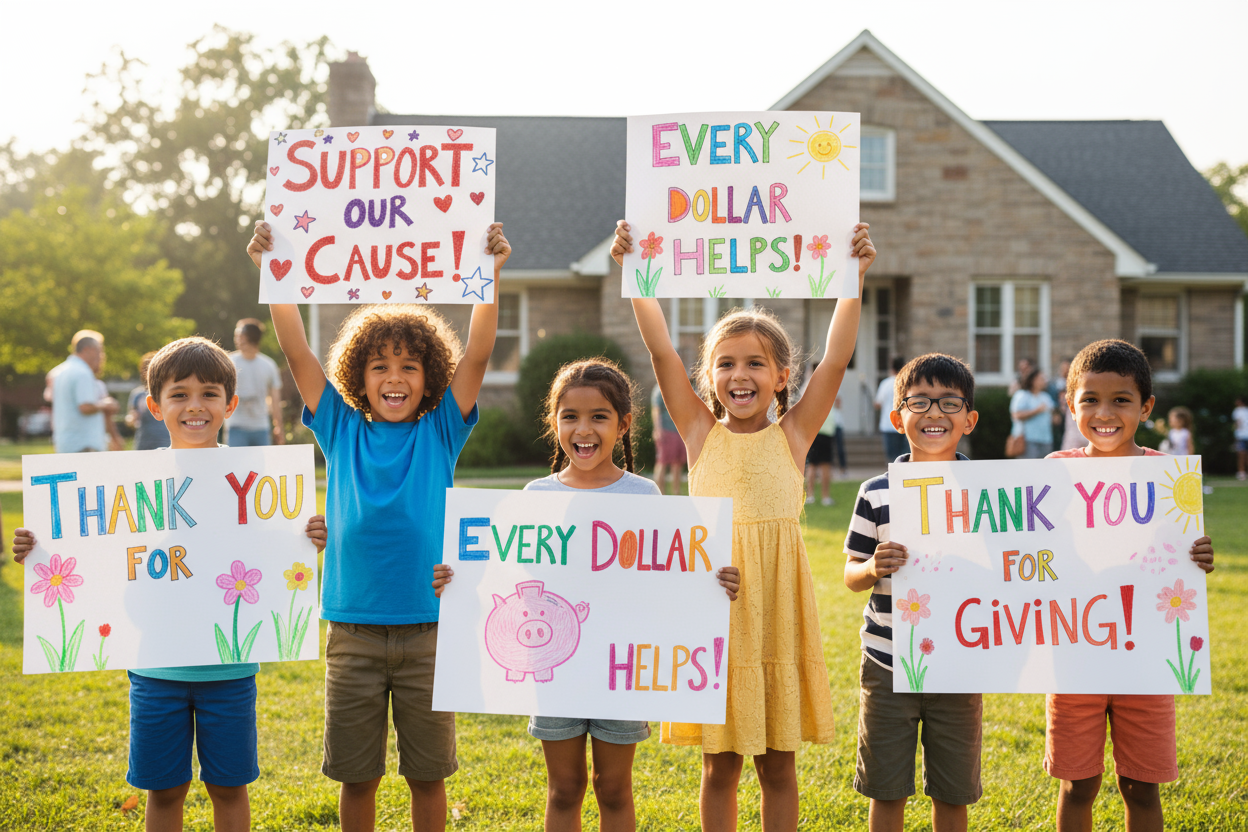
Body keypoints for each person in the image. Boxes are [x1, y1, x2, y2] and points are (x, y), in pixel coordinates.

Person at [613, 218, 876, 830]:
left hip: (778, 609)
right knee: (720, 767)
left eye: (756, 364)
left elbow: (836, 358)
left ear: (782, 377)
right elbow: (660, 351)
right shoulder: (700, 434)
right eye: (726, 364)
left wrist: (852, 280)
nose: (740, 376)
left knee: (779, 765)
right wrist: (637, 279)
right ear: (710, 379)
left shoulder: (795, 435)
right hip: (716, 607)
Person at [248, 219, 510, 831]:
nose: (395, 378)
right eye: (380, 367)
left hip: (428, 630)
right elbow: (295, 350)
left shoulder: (442, 428)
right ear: (357, 379)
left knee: (427, 776)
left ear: (431, 377)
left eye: (411, 366)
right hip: (354, 632)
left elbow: (478, 352)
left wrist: (488, 278)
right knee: (357, 776)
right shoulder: (339, 428)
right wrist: (274, 271)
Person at [13, 336, 327, 832]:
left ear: (231, 404)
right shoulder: (133, 483)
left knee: (228, 787)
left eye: (208, 393)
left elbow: (271, 545)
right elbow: (96, 549)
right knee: (165, 790)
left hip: (230, 673)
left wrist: (305, 536)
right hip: (155, 670)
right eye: (179, 394)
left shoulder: (254, 480)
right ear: (154, 407)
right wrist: (43, 549)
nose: (195, 406)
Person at [435, 359, 740, 831]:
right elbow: (508, 577)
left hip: (621, 671)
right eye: (570, 416)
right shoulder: (535, 495)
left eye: (599, 416)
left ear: (624, 425)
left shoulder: (645, 496)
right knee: (564, 788)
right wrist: (458, 582)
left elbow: (665, 580)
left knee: (614, 789)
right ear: (553, 421)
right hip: (553, 667)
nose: (584, 429)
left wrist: (711, 584)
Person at [1045, 339, 1215, 832]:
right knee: (1079, 784)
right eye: (1089, 400)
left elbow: (1177, 555)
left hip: (1147, 657)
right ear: (1070, 404)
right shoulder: (1053, 473)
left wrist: (1197, 556)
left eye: (1121, 400)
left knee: (1141, 786)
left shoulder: (1167, 475)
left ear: (1146, 407)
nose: (1104, 412)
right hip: (1075, 654)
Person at [844, 354, 983, 831]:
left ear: (969, 419)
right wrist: (871, 566)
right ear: (897, 415)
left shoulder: (987, 494)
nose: (934, 413)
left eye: (949, 402)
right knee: (886, 790)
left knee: (952, 792)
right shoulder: (876, 492)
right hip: (886, 663)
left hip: (960, 664)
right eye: (919, 401)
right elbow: (850, 573)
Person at [50, 331, 121, 453]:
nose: (101, 356)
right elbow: (85, 406)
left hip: (65, 443)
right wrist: (106, 404)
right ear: (88, 350)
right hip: (84, 445)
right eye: (99, 351)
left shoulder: (61, 371)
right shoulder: (83, 373)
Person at [228, 318, 285, 446]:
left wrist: (279, 426)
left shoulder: (269, 365)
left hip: (261, 428)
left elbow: (275, 400)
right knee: (236, 466)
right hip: (236, 427)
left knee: (261, 467)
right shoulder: (229, 362)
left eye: (238, 335)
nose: (236, 339)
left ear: (247, 337)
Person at [801, 362, 837, 506]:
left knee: (812, 465)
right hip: (826, 429)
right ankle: (825, 497)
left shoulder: (806, 386)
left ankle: (810, 496)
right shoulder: (828, 384)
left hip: (812, 429)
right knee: (825, 465)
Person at [126, 351, 171, 451]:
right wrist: (131, 419)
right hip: (144, 444)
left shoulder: (169, 393)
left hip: (166, 441)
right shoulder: (137, 394)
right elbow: (131, 417)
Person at [1009, 369, 1054, 459]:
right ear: (1033, 380)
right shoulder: (1022, 395)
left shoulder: (1046, 397)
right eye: (1041, 378)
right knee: (1028, 470)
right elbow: (1016, 415)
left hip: (1046, 439)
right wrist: (1036, 411)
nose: (1044, 381)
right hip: (1028, 440)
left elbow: (1052, 416)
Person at [651, 382, 686, 495]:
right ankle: (660, 493)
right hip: (665, 431)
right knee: (662, 461)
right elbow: (656, 410)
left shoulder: (677, 387)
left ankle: (676, 493)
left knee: (677, 463)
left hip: (679, 431)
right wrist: (657, 429)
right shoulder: (659, 389)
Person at [874, 357, 907, 463]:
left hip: (889, 424)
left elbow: (878, 404)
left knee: (892, 458)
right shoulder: (908, 383)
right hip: (905, 424)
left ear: (892, 369)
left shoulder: (886, 383)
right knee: (905, 456)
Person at [1233, 396, 1248, 480]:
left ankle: (1241, 472)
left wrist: (1236, 433)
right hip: (1245, 435)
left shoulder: (1237, 411)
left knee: (1241, 455)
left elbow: (1237, 423)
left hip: (1241, 435)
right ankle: (1243, 472)